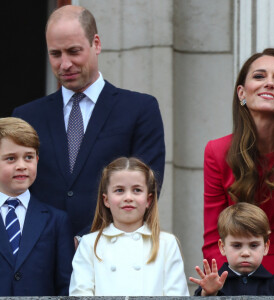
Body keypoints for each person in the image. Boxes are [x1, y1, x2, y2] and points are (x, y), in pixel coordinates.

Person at [12, 5, 165, 237]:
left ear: (96, 44)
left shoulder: (140, 110)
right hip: (41, 256)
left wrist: (91, 241)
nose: (64, 64)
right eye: (55, 54)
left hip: (111, 253)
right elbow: (14, 192)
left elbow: (146, 187)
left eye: (74, 51)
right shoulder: (26, 117)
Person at [202, 48, 274, 275]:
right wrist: (233, 286)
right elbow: (213, 237)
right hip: (240, 281)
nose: (269, 83)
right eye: (259, 76)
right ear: (241, 93)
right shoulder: (217, 151)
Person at [69, 157, 189, 296]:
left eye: (137, 190)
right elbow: (80, 294)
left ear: (148, 200)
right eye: (119, 190)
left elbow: (176, 296)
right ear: (106, 200)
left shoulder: (166, 243)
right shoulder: (89, 244)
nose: (128, 197)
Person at [0, 117, 74, 296]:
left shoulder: (57, 220)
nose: (22, 166)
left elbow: (66, 284)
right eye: (11, 158)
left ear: (37, 160)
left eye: (28, 157)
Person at [190, 203, 274, 296]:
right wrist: (208, 293)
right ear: (222, 247)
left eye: (253, 245)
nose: (246, 253)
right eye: (237, 245)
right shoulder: (214, 282)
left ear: (266, 247)